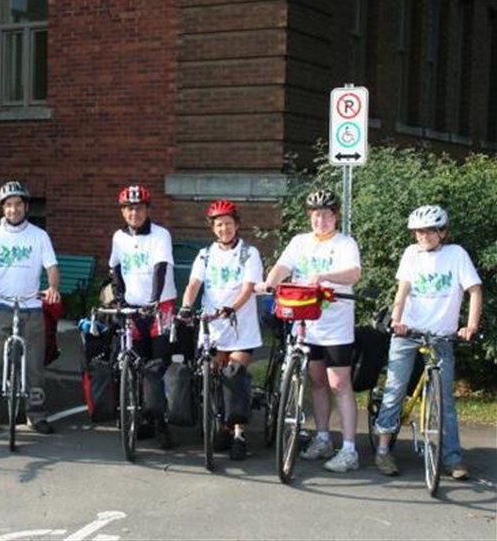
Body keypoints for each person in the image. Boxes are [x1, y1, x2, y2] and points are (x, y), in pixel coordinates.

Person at [255, 189, 362, 473]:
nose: (321, 220)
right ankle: (323, 438)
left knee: (339, 383)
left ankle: (350, 449)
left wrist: (324, 276)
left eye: (326, 215)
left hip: (336, 325)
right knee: (316, 382)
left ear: (335, 216)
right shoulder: (300, 242)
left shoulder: (344, 243)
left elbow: (354, 273)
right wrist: (269, 282)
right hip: (306, 323)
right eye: (316, 215)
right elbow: (282, 266)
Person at [374, 205, 482, 480]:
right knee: (395, 390)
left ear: (442, 232)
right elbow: (403, 290)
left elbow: (474, 290)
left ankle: (452, 458)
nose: (423, 236)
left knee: (444, 399)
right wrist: (397, 320)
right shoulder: (411, 254)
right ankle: (384, 451)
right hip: (408, 333)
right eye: (419, 232)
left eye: (429, 231)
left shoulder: (456, 255)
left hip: (441, 337)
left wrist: (470, 326)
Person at [0, 181, 61, 436]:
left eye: (18, 204)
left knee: (34, 365)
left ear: (26, 207)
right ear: (3, 209)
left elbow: (52, 268)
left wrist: (53, 288)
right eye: (9, 205)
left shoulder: (38, 235)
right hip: (0, 305)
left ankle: (36, 413)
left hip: (31, 306)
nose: (13, 209)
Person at [179, 199, 263, 460]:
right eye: (219, 225)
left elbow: (249, 288)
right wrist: (185, 306)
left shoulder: (250, 253)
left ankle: (238, 433)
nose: (224, 229)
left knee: (234, 376)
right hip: (211, 327)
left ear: (236, 224)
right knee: (212, 378)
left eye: (228, 223)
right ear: (213, 228)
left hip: (240, 327)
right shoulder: (206, 254)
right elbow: (194, 283)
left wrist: (231, 308)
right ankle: (220, 426)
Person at [110, 184, 177, 450]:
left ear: (147, 210)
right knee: (135, 366)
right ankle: (143, 419)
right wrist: (119, 296)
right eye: (128, 208)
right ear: (123, 212)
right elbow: (115, 267)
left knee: (157, 366)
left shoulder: (161, 235)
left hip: (160, 307)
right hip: (132, 308)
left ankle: (161, 424)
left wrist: (153, 300)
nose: (133, 213)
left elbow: (160, 268)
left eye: (138, 208)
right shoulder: (119, 237)